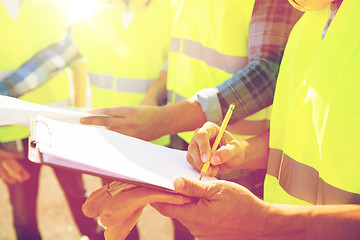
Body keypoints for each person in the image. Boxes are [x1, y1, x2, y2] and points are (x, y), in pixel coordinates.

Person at [82, 0, 360, 239]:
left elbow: (267, 70)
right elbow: (306, 133)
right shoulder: (311, 23)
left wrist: (266, 221)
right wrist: (242, 151)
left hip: (258, 208)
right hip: (209, 162)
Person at [0, 0, 104, 239]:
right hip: (8, 136)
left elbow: (77, 63)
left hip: (58, 129)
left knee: (82, 202)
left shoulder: (51, 5)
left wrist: (77, 120)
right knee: (23, 218)